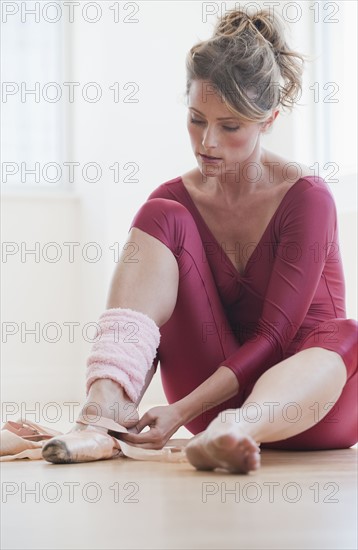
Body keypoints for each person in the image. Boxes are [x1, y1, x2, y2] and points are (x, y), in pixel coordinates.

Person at [42, 8, 357, 472]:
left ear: (268, 119)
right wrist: (123, 393)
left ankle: (238, 429)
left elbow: (274, 337)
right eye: (196, 119)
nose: (207, 141)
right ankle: (99, 418)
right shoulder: (174, 200)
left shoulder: (306, 197)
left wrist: (182, 411)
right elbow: (140, 328)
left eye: (230, 127)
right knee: (159, 214)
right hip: (211, 401)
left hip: (308, 408)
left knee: (350, 333)